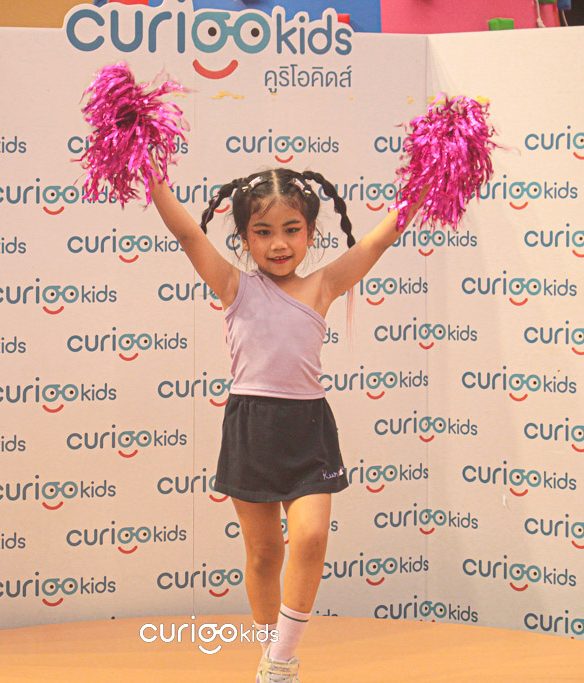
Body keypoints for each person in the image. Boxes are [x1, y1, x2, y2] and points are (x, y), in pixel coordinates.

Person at [150, 168, 421, 683]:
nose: (279, 244)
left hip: (308, 428)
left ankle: (281, 662)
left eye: (292, 229)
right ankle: (267, 649)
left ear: (311, 233)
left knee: (311, 536)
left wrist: (429, 179)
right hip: (250, 428)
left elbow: (380, 239)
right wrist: (149, 172)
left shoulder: (324, 284)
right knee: (263, 554)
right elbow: (186, 233)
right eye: (263, 231)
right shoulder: (233, 284)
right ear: (244, 237)